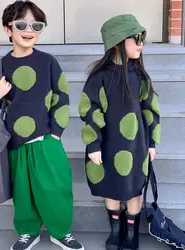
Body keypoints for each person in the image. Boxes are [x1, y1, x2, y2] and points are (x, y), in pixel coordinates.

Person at [0, 1, 84, 250]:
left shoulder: (48, 62)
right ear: (8, 29)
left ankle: (60, 231)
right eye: (21, 24)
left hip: (45, 139)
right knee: (23, 191)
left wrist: (56, 133)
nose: (29, 30)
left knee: (56, 188)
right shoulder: (0, 67)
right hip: (15, 141)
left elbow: (61, 96)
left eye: (36, 25)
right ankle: (28, 231)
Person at [78, 14, 161, 250]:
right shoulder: (100, 78)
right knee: (111, 184)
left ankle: (131, 231)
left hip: (136, 144)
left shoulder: (140, 76)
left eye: (143, 37)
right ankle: (115, 230)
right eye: (136, 37)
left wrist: (152, 142)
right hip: (107, 144)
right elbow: (90, 110)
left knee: (135, 186)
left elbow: (151, 110)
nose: (141, 43)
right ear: (117, 42)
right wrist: (93, 144)